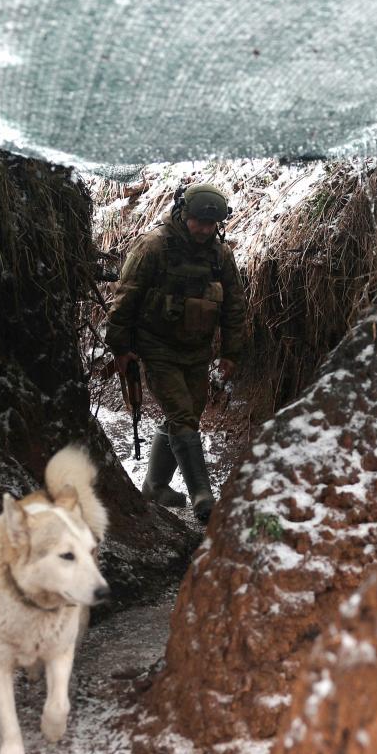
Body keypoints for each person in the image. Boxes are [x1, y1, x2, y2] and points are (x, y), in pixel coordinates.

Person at [104, 182, 245, 522]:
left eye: (211, 225)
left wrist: (230, 352)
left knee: (188, 416)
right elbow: (124, 300)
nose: (204, 230)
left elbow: (234, 307)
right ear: (184, 214)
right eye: (199, 222)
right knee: (182, 414)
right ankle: (203, 497)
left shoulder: (219, 255)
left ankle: (155, 485)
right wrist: (121, 348)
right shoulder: (153, 247)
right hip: (157, 347)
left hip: (197, 350)